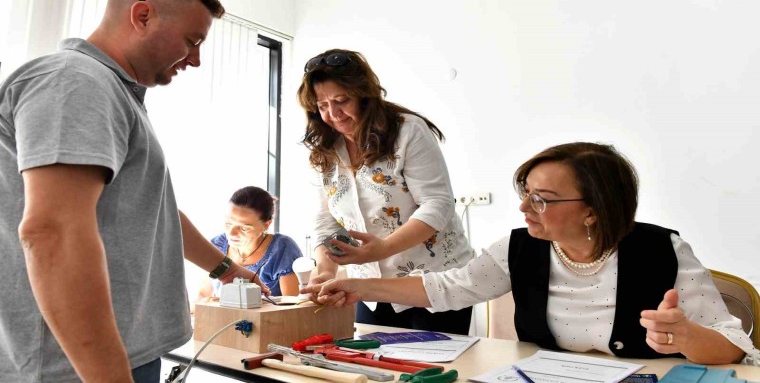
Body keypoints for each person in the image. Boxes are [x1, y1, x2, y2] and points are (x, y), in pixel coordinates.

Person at [0, 0, 269, 383]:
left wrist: (227, 269)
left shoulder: (110, 92)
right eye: (192, 41)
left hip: (120, 352)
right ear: (143, 16)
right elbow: (52, 232)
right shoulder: (76, 81)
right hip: (73, 367)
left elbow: (153, 210)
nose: (196, 60)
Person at [304, 142, 760, 365]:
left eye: (542, 199)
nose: (524, 208)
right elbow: (448, 288)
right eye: (525, 193)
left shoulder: (662, 250)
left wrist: (685, 336)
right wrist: (356, 286)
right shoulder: (518, 247)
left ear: (594, 211)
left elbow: (735, 348)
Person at [296, 49, 475, 335]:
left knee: (434, 360)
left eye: (341, 101)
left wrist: (384, 248)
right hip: (369, 288)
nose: (333, 114)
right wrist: (326, 271)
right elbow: (326, 221)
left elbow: (437, 204)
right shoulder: (326, 149)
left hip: (432, 281)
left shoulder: (408, 131)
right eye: (323, 105)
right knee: (372, 360)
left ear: (364, 95)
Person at [197, 186, 303, 299]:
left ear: (266, 225)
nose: (232, 233)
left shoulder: (282, 248)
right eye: (228, 223)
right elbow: (203, 295)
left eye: (244, 228)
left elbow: (292, 304)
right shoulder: (217, 245)